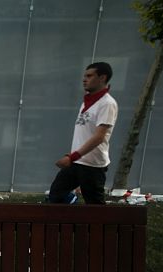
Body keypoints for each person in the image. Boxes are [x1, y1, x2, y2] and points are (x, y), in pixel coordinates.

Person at [49, 62, 118, 205]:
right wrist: (73, 157)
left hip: (92, 165)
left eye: (89, 76)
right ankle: (67, 223)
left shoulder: (107, 104)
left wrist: (72, 156)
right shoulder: (87, 101)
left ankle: (101, 226)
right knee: (56, 194)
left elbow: (99, 137)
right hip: (76, 161)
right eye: (84, 76)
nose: (84, 79)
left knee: (94, 204)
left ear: (102, 78)